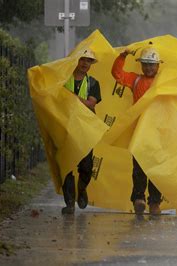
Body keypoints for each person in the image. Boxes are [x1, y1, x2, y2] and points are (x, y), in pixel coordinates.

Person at [111, 46, 163, 215]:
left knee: (155, 168)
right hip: (139, 132)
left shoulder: (164, 82)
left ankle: (155, 202)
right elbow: (117, 74)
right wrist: (122, 56)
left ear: (158, 66)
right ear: (141, 66)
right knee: (139, 167)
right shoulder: (135, 80)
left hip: (158, 133)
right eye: (146, 64)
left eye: (152, 65)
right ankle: (138, 199)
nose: (149, 68)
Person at [62, 49, 102, 214]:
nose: (85, 64)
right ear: (76, 61)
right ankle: (70, 203)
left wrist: (71, 97)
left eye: (89, 61)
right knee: (66, 166)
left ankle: (82, 188)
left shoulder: (93, 83)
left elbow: (91, 104)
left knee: (86, 165)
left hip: (85, 129)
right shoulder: (64, 79)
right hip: (66, 127)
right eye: (82, 60)